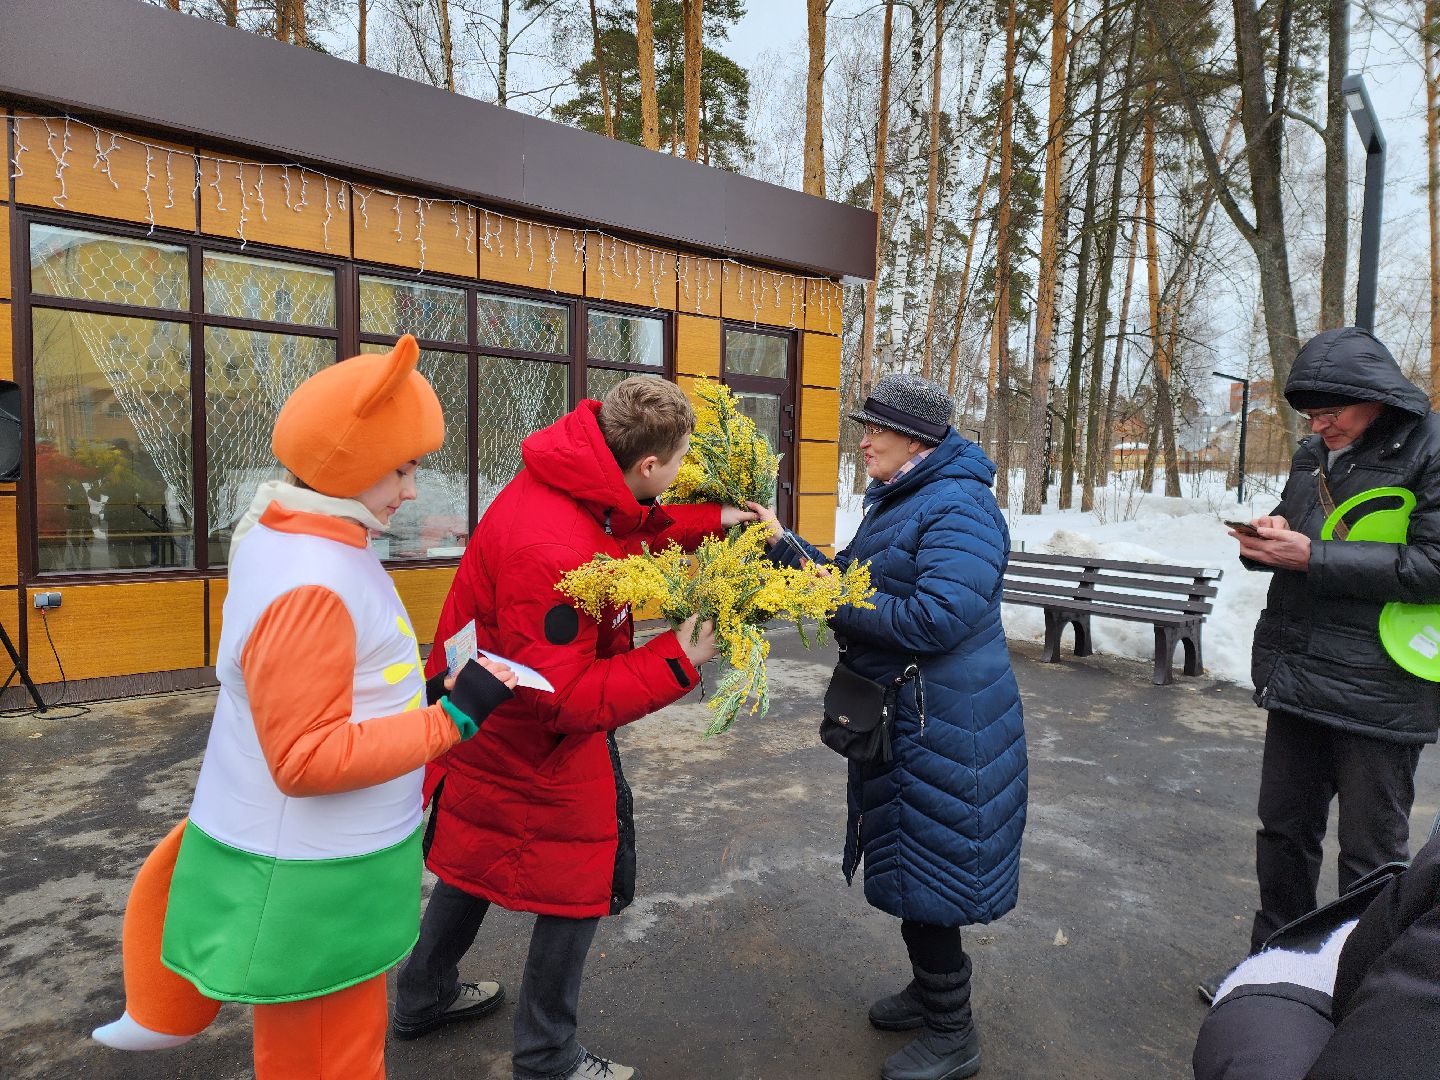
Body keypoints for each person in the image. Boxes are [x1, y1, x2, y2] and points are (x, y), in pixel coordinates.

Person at [90, 334, 518, 1079]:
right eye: (402, 467)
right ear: (349, 461)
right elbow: (305, 758)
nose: (412, 489)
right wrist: (452, 719)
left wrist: (426, 695)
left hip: (325, 869)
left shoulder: (306, 540)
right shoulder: (314, 578)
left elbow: (339, 691)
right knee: (329, 1059)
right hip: (314, 880)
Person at [391, 376, 757, 1080]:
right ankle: (547, 1056)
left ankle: (423, 994)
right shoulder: (553, 549)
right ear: (647, 463)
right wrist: (678, 658)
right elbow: (564, 699)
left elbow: (630, 528)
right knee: (580, 868)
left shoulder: (577, 479)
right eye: (681, 460)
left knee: (480, 846)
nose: (682, 472)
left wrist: (715, 519)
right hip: (526, 725)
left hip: (490, 711)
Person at [750, 371, 1027, 1080]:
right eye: (865, 427)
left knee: (932, 865)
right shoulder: (906, 497)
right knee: (913, 861)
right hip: (912, 714)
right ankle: (932, 991)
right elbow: (852, 578)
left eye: (877, 429)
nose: (864, 441)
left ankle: (953, 1034)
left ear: (917, 440)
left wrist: (833, 602)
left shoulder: (957, 506)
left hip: (943, 724)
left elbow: (937, 619)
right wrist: (783, 544)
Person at [1222, 327, 1440, 993]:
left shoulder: (1431, 448)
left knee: (1371, 856)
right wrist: (1270, 538)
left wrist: (1313, 557)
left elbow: (1434, 565)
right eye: (1310, 415)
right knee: (1282, 835)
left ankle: (1356, 990)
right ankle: (1269, 973)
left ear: (1375, 397)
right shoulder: (1313, 453)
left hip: (1382, 686)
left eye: (1329, 413)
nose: (1318, 426)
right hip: (1299, 670)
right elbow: (1300, 530)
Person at [1193, 825, 1440, 1080]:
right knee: (1288, 832)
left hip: (1295, 1004)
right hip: (1291, 994)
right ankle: (1284, 946)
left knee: (1368, 843)